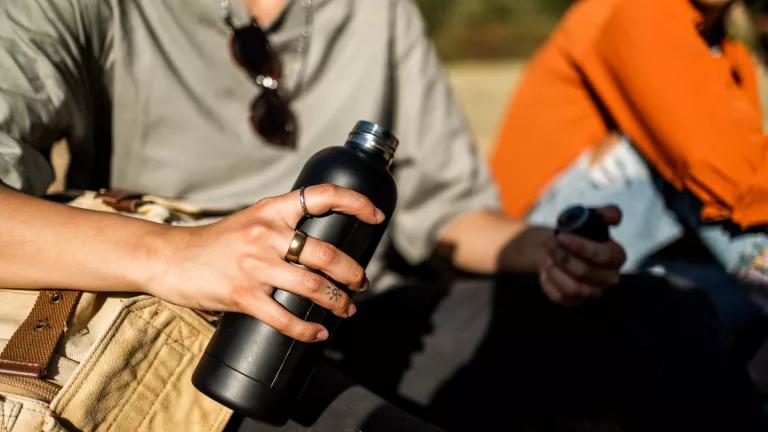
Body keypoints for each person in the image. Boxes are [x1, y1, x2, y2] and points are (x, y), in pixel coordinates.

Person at [0, 0, 625, 430]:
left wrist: (540, 250)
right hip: (187, 332)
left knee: (658, 320)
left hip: (360, 311)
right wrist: (176, 253)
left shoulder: (379, 11)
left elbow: (447, 209)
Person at [491, 0, 768, 358]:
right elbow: (718, 166)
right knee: (679, 137)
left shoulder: (727, 49)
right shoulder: (630, 9)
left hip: (630, 255)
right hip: (535, 247)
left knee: (725, 307)